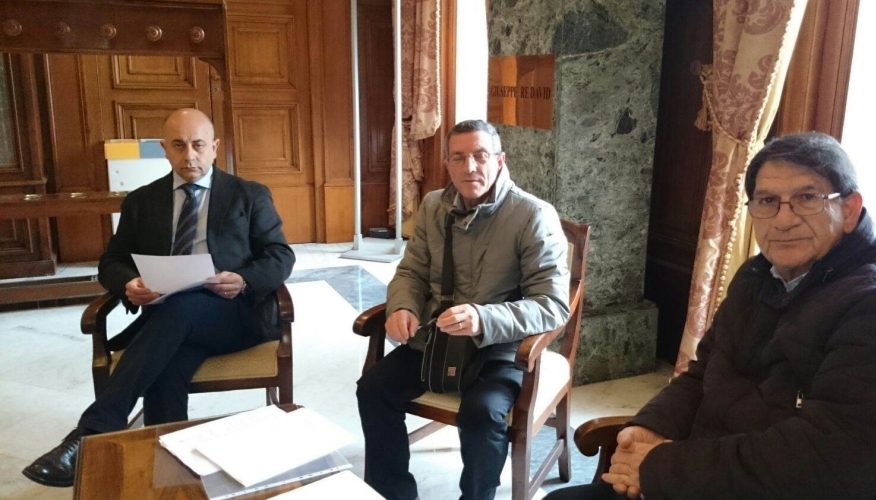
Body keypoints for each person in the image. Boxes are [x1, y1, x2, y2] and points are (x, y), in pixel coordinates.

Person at [547, 132, 876, 500]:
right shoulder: (759, 276)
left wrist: (661, 467)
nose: (784, 219)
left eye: (808, 198)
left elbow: (829, 467)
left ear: (849, 210)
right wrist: (651, 427)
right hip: (712, 477)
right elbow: (703, 373)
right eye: (768, 201)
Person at [22, 108, 296, 488]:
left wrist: (244, 279)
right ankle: (172, 481)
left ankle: (91, 432)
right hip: (169, 322)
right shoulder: (142, 201)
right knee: (166, 370)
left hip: (235, 314)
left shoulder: (248, 195)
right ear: (164, 149)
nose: (190, 156)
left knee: (179, 311)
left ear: (215, 147)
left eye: (198, 145)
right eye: (179, 146)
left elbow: (280, 255)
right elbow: (112, 261)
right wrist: (129, 283)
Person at [356, 119, 570, 500]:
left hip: (499, 348)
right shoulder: (433, 206)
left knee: (482, 414)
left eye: (480, 156)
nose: (470, 167)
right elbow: (411, 271)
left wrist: (484, 319)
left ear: (500, 161)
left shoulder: (533, 215)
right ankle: (394, 494)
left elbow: (552, 305)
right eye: (459, 157)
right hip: (437, 340)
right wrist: (402, 306)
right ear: (447, 163)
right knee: (373, 389)